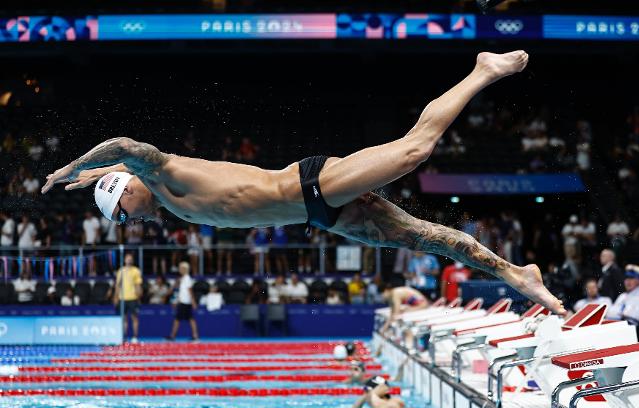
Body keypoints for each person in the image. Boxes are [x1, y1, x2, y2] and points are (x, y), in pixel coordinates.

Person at [42, 51, 564, 315]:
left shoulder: (160, 173)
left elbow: (127, 147)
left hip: (308, 184)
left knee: (415, 150)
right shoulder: (163, 201)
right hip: (320, 215)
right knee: (429, 238)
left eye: (125, 213)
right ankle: (517, 273)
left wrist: (74, 167)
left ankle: (481, 70)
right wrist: (102, 172)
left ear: (127, 192)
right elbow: (121, 164)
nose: (133, 222)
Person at [113, 253, 143, 343]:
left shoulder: (136, 271)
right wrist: (116, 297)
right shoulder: (121, 271)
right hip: (122, 298)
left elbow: (138, 285)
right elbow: (118, 285)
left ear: (132, 260)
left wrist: (138, 297)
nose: (129, 260)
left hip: (133, 298)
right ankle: (123, 337)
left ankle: (135, 337)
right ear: (124, 260)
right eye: (127, 258)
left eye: (130, 259)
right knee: (124, 319)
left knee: (134, 318)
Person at [167, 261, 199, 342]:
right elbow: (181, 291)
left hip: (185, 302)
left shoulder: (187, 278)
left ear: (185, 269)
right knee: (189, 319)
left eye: (181, 268)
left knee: (179, 319)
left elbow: (190, 291)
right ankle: (195, 336)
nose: (179, 269)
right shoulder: (183, 278)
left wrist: (193, 302)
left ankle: (173, 336)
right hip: (183, 302)